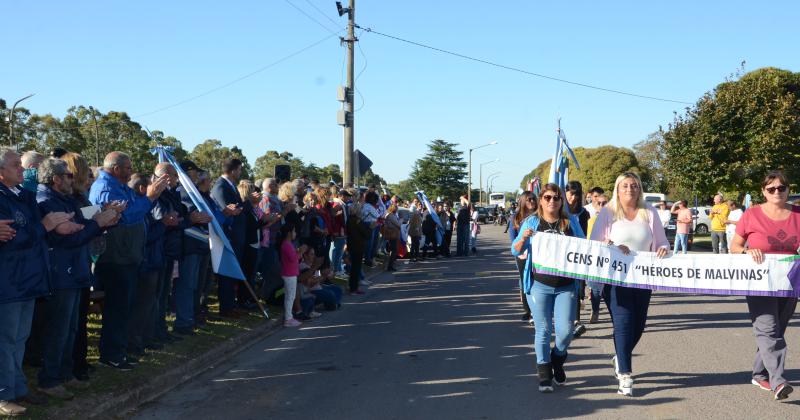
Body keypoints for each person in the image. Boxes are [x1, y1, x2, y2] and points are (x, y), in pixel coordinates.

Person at [0, 147, 81, 416]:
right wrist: (44, 226)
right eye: (16, 165)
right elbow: (12, 238)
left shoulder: (23, 195)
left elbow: (30, 232)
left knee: (20, 338)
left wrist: (44, 226)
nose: (23, 169)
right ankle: (4, 394)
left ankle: (19, 387)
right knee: (6, 339)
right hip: (8, 280)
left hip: (28, 278)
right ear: (1, 173)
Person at [35, 158, 118, 400]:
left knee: (71, 328)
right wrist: (96, 224)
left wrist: (101, 218)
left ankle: (65, 372)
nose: (73, 178)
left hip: (75, 270)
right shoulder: (46, 201)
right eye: (68, 175)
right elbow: (67, 238)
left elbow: (82, 221)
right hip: (62, 272)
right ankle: (49, 379)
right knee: (59, 329)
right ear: (56, 178)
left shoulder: (67, 198)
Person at [590, 172, 669, 397]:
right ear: (617, 189)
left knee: (639, 325)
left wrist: (663, 248)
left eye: (634, 186)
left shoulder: (649, 211)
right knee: (623, 323)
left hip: (643, 279)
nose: (629, 189)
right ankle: (625, 374)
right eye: (625, 186)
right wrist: (612, 246)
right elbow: (596, 243)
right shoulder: (608, 213)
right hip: (616, 280)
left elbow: (661, 241)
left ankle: (620, 355)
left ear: (639, 188)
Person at [90, 152, 168, 371]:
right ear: (116, 169)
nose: (130, 172)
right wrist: (150, 197)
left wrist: (148, 199)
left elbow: (135, 210)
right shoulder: (105, 188)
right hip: (116, 258)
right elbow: (125, 216)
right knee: (116, 309)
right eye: (127, 168)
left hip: (128, 256)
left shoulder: (120, 187)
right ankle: (112, 354)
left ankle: (118, 351)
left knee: (123, 308)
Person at [511, 183, 586, 393]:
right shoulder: (532, 221)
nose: (552, 201)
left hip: (566, 286)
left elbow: (585, 246)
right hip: (539, 285)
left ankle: (557, 360)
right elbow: (515, 250)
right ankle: (544, 372)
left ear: (562, 201)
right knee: (543, 330)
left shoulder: (569, 222)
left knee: (565, 331)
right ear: (541, 200)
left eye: (556, 197)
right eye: (547, 197)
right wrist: (523, 238)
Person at [730, 171, 798, 401]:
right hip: (759, 282)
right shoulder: (752, 214)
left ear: (788, 189)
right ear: (763, 192)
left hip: (788, 282)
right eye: (771, 189)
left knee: (776, 329)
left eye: (781, 188)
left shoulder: (798, 214)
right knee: (768, 328)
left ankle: (759, 373)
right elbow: (735, 247)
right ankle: (779, 381)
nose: (777, 192)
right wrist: (748, 250)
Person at [210, 159, 246, 318]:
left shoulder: (230, 185)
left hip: (236, 234)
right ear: (232, 171)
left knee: (232, 273)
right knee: (227, 273)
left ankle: (231, 304)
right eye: (239, 170)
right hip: (228, 234)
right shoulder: (220, 186)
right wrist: (236, 210)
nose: (240, 173)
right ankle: (226, 307)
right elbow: (226, 209)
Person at [565, 181, 590, 338]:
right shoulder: (560, 211)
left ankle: (576, 321)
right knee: (567, 289)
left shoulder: (584, 213)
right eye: (570, 193)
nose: (573, 197)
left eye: (576, 194)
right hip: (562, 256)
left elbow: (586, 234)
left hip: (579, 255)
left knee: (578, 288)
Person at [509, 191, 536, 322]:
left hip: (536, 254)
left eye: (533, 199)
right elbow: (513, 238)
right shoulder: (516, 217)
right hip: (521, 254)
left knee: (536, 282)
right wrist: (520, 251)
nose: (531, 201)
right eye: (529, 199)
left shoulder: (540, 216)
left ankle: (536, 310)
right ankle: (528, 311)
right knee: (525, 281)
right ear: (523, 201)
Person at [586, 193, 608, 324]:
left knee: (609, 290)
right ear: (594, 205)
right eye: (598, 203)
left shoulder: (616, 220)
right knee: (594, 288)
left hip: (611, 259)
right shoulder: (591, 221)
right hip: (594, 258)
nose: (601, 205)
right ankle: (595, 310)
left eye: (604, 203)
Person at [346, 203, 372, 295]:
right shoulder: (357, 220)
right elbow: (366, 233)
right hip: (358, 246)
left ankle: (353, 287)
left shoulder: (349, 219)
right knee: (356, 268)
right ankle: (353, 288)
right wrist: (371, 227)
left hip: (352, 245)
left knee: (354, 268)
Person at [278, 224, 301, 327]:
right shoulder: (286, 244)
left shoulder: (288, 244)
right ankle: (288, 318)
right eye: (294, 231)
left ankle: (289, 316)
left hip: (291, 273)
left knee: (290, 296)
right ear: (289, 233)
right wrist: (301, 252)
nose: (295, 233)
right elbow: (294, 258)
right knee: (290, 296)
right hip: (289, 274)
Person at [382, 204, 401, 271]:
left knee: (392, 250)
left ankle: (390, 265)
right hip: (392, 234)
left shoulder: (390, 215)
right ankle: (390, 266)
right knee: (393, 250)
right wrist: (401, 221)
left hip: (392, 234)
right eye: (396, 208)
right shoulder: (391, 215)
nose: (396, 209)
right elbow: (398, 224)